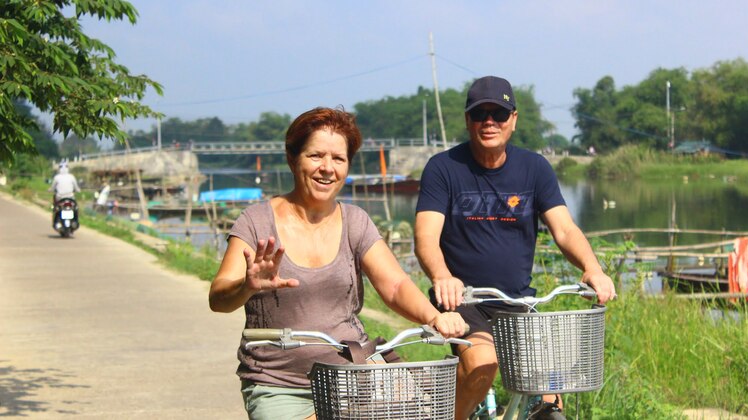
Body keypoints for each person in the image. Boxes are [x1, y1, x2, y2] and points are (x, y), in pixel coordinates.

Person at [209, 107, 466, 420]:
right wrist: (246, 286)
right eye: (316, 155)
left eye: (338, 159)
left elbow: (395, 285)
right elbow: (218, 297)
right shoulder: (256, 222)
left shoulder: (356, 222)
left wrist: (434, 317)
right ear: (293, 159)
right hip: (278, 382)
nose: (327, 168)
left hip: (350, 373)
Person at [414, 75, 616, 419]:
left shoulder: (534, 168)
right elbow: (425, 237)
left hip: (519, 301)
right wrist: (442, 276)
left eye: (499, 114)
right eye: (480, 114)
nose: (489, 122)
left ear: (514, 119)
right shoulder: (444, 168)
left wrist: (592, 268)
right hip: (465, 301)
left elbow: (565, 229)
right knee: (482, 364)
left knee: (552, 390)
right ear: (468, 120)